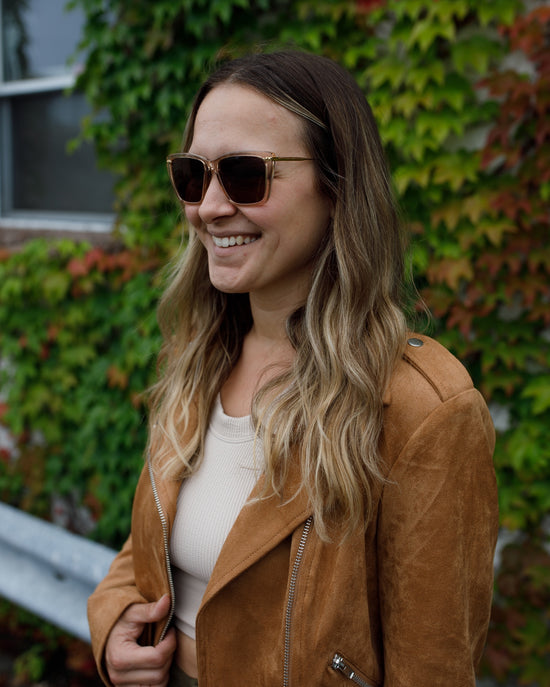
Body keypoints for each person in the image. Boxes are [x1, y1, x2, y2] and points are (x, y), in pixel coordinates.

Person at [87, 50, 499, 687]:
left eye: (245, 174)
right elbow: (158, 543)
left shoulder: (422, 411)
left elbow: (433, 668)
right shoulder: (198, 360)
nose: (209, 207)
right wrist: (115, 620)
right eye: (193, 175)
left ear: (338, 187)